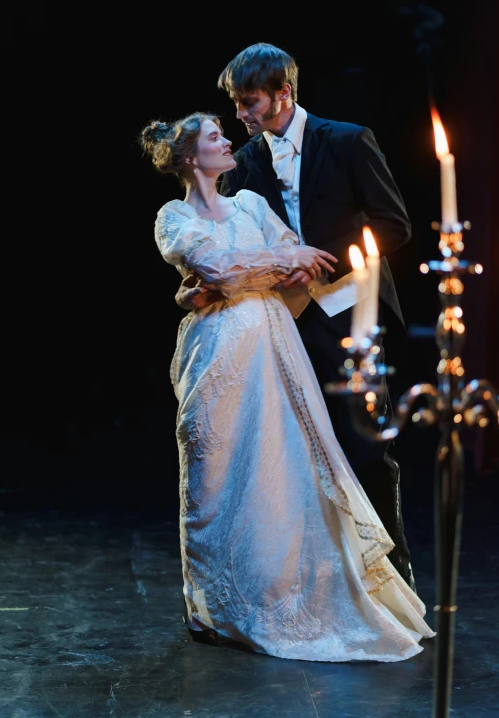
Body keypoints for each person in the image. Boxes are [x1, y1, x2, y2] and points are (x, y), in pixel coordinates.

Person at [141, 110, 435, 661]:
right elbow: (221, 267)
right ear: (188, 157)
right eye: (213, 136)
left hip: (275, 346)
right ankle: (211, 607)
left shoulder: (250, 204)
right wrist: (272, 261)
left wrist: (276, 265)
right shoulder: (172, 218)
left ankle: (277, 591)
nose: (227, 138)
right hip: (217, 354)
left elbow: (289, 269)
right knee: (214, 475)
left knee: (280, 473)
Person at [175, 42, 416, 590]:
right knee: (297, 451)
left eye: (249, 102)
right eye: (235, 105)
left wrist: (316, 262)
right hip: (282, 321)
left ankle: (393, 578)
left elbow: (394, 226)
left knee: (368, 448)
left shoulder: (348, 140)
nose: (241, 115)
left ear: (284, 93)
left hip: (352, 312)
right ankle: (321, 581)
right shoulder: (249, 161)